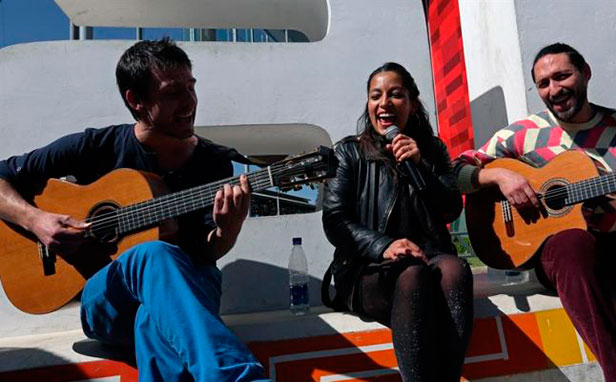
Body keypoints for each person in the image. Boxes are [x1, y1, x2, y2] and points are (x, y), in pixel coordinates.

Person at [0, 38, 269, 382]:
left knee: (152, 322)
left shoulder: (214, 162)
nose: (190, 102)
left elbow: (208, 250)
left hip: (187, 299)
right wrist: (37, 221)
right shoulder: (95, 146)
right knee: (153, 254)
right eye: (173, 92)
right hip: (107, 304)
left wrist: (227, 231)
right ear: (136, 100)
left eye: (192, 87)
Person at [453, 43, 616, 381]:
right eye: (544, 83)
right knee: (572, 243)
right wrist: (498, 175)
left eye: (562, 77)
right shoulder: (524, 133)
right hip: (562, 255)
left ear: (585, 73)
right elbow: (454, 171)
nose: (554, 90)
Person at [321, 62, 473, 382]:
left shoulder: (432, 149)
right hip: (366, 268)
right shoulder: (348, 152)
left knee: (457, 271)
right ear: (368, 104)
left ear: (412, 104)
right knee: (412, 275)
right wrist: (385, 245)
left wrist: (422, 165)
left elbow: (449, 210)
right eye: (376, 96)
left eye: (396, 95)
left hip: (428, 256)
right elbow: (335, 221)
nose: (384, 103)